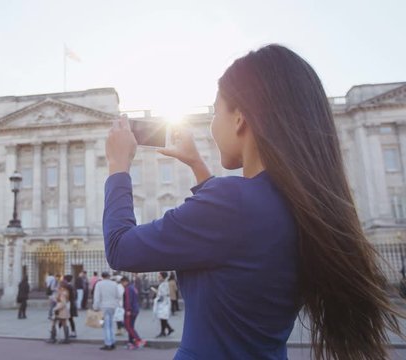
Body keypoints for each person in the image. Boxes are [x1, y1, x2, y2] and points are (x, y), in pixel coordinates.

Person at [103, 44, 405, 359]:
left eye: (216, 110)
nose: (211, 122)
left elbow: (120, 248)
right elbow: (238, 235)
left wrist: (117, 167)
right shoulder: (298, 205)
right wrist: (198, 166)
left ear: (240, 119)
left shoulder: (233, 204)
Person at [92, 271, 121, 351]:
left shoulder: (99, 284)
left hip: (104, 306)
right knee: (111, 325)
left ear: (102, 276)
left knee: (106, 326)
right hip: (113, 306)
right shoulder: (114, 284)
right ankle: (113, 341)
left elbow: (97, 297)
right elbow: (118, 296)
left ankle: (108, 343)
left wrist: (95, 307)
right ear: (109, 276)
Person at [120, 276, 146, 350]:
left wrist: (128, 310)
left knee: (128, 326)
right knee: (131, 326)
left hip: (130, 310)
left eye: (122, 283)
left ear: (125, 281)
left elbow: (128, 300)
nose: (122, 285)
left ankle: (138, 340)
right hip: (135, 309)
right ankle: (131, 342)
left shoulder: (128, 288)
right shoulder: (133, 287)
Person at [151, 272, 174, 337]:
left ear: (163, 277)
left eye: (160, 276)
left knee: (163, 317)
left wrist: (156, 292)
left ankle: (164, 331)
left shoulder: (164, 284)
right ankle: (167, 330)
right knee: (162, 318)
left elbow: (163, 294)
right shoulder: (164, 284)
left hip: (164, 303)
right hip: (164, 303)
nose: (158, 277)